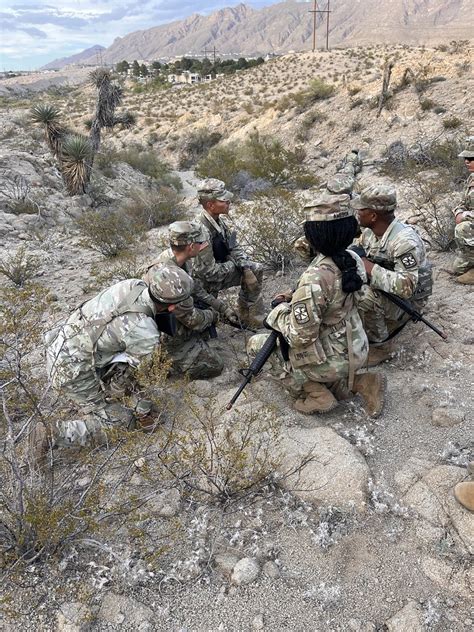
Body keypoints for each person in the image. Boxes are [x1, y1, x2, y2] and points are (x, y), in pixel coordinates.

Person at [247, 192, 385, 417]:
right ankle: (358, 382)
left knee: (257, 344)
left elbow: (301, 336)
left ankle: (317, 396)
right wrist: (295, 296)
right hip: (356, 345)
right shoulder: (353, 259)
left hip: (336, 357)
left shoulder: (316, 276)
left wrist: (277, 313)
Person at [44, 278, 162, 449]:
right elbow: (144, 375)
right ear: (171, 307)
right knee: (122, 422)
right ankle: (54, 434)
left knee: (125, 369)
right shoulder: (145, 332)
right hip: (71, 372)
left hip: (61, 345)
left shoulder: (134, 285)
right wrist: (143, 413)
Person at [352, 184, 432, 367]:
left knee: (363, 296)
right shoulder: (370, 234)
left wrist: (368, 267)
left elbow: (407, 287)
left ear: (373, 216)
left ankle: (381, 347)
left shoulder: (403, 241)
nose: (357, 212)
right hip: (388, 292)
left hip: (407, 302)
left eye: (361, 209)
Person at [192, 178, 265, 327]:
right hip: (204, 283)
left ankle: (250, 318)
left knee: (255, 269)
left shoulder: (218, 221)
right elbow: (207, 272)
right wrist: (234, 266)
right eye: (223, 200)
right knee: (207, 327)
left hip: (218, 272)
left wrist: (245, 268)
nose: (228, 202)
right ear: (210, 205)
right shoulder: (201, 230)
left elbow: (233, 247)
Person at [143, 220, 239, 324]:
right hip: (153, 320)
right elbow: (191, 319)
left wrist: (222, 308)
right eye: (201, 243)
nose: (203, 246)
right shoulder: (169, 275)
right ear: (192, 247)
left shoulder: (182, 260)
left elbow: (196, 289)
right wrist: (215, 316)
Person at [146, 265, 224, 380]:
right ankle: (169, 363)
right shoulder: (176, 293)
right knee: (215, 365)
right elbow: (195, 321)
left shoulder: (157, 277)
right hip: (162, 341)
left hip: (153, 334)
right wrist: (213, 315)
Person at [294, 149, 363, 261]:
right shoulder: (325, 201)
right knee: (302, 244)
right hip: (331, 232)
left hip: (350, 233)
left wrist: (352, 157)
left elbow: (349, 168)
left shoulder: (355, 198)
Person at [452, 139, 474, 285]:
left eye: (471, 158)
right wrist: (459, 212)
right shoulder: (471, 178)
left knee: (462, 228)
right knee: (457, 268)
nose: (467, 161)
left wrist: (466, 216)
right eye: (465, 158)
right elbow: (462, 202)